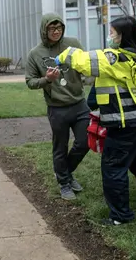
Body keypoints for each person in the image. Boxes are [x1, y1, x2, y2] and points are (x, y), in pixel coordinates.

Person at [56, 15, 136, 225]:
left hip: (124, 122)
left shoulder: (115, 58)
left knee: (113, 166)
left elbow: (84, 61)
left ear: (122, 36)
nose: (109, 36)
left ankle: (120, 216)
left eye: (112, 33)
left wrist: (63, 55)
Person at [25, 13, 91, 200]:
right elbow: (30, 82)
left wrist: (89, 75)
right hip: (57, 108)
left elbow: (85, 65)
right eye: (52, 28)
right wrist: (47, 79)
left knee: (84, 142)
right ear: (44, 30)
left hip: (79, 104)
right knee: (60, 147)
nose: (56, 31)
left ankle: (66, 172)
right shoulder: (35, 54)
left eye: (59, 28)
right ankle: (64, 183)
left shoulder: (73, 44)